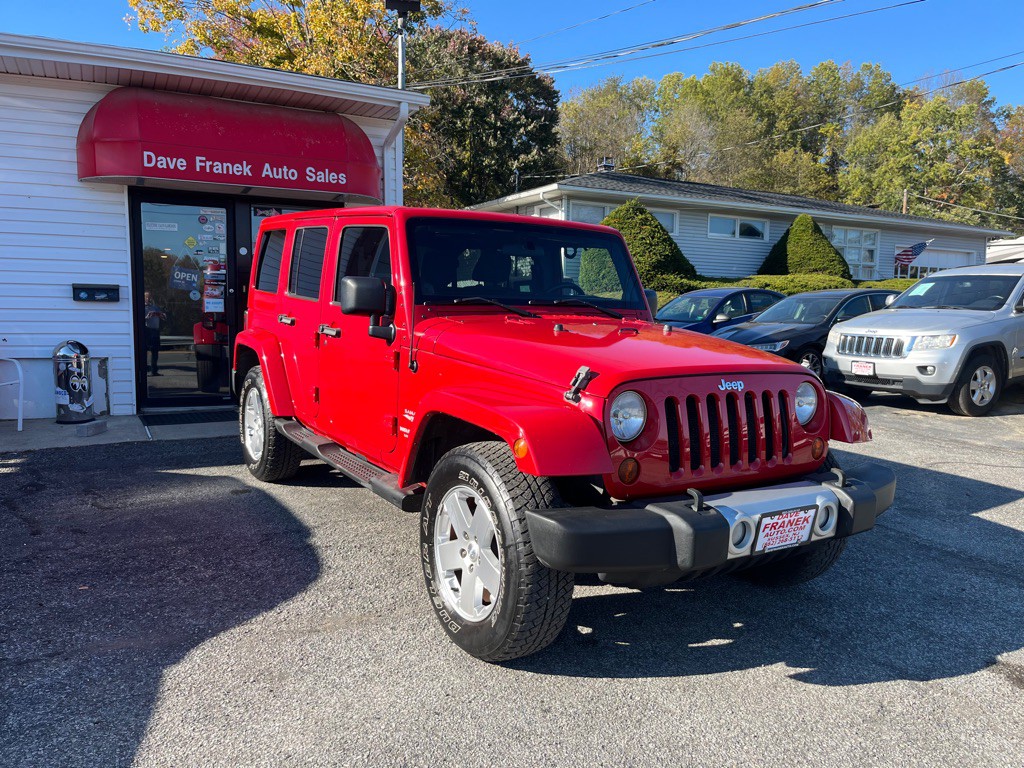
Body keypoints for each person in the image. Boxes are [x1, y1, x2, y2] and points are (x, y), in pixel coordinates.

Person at [143, 291, 166, 376]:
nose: (148, 299)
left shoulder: (155, 307)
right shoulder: (141, 307)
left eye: (149, 297)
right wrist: (146, 317)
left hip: (155, 330)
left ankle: (154, 370)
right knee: (144, 351)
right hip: (147, 330)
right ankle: (144, 370)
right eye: (146, 297)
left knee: (155, 351)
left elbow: (164, 317)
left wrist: (161, 315)